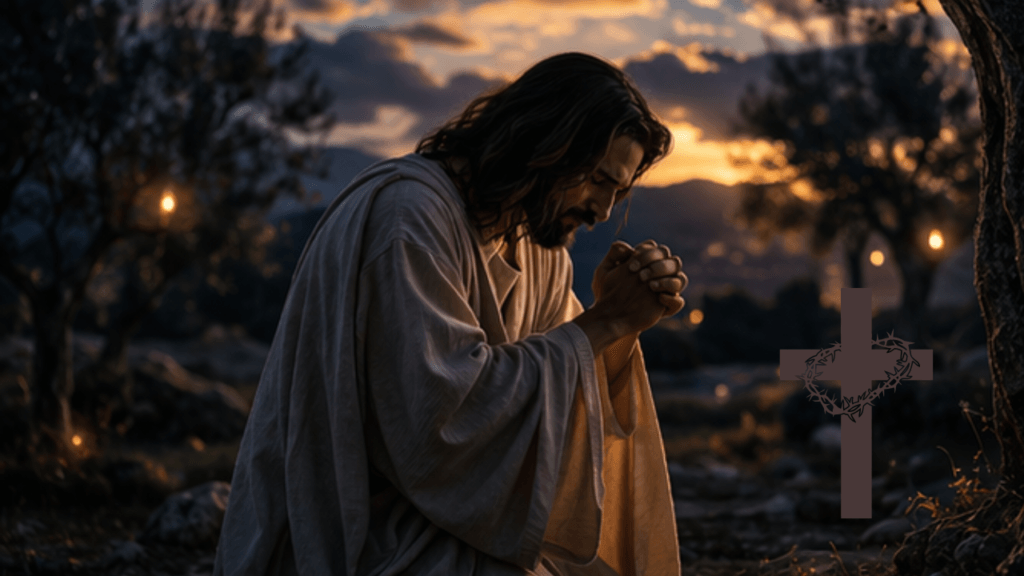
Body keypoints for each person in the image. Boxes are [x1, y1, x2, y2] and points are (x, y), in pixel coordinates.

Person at [214, 52, 688, 576]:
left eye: (618, 191)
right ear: (547, 143)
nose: (603, 210)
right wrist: (604, 323)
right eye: (598, 179)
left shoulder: (538, 248)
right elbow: (435, 429)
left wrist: (617, 322)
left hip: (458, 524)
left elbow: (565, 393)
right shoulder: (409, 218)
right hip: (368, 530)